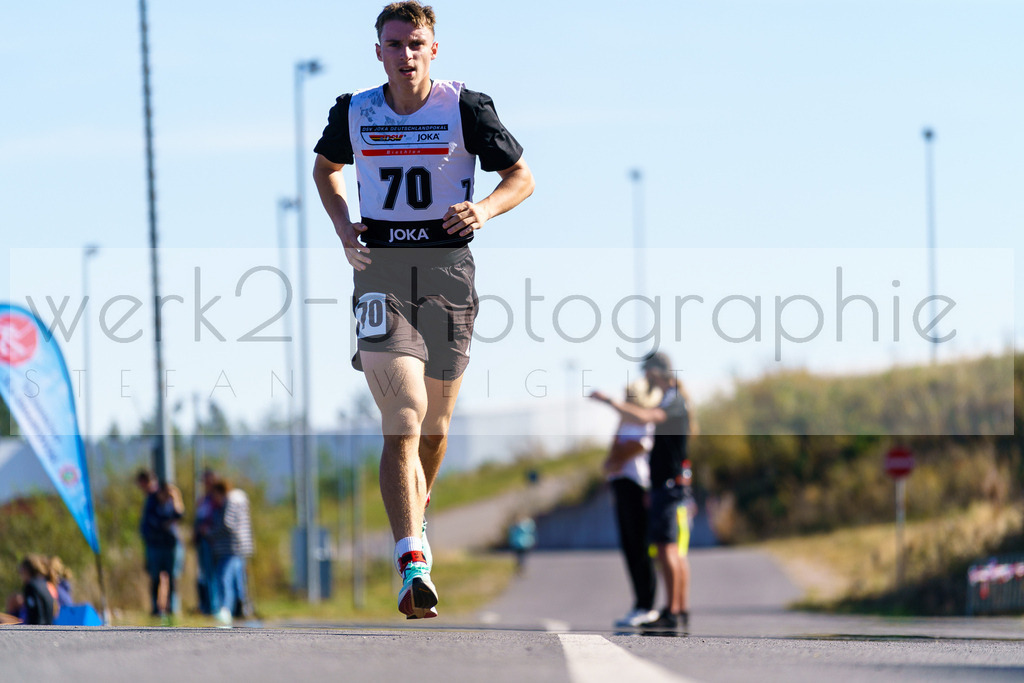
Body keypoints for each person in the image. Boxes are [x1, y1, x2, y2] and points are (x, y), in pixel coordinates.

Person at [312, 1, 534, 619]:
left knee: (433, 429)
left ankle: (419, 512)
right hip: (379, 271)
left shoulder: (465, 108)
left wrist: (484, 209)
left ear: (433, 49)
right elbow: (325, 169)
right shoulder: (355, 111)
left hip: (448, 273)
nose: (405, 54)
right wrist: (343, 227)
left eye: (416, 44)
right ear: (377, 51)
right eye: (394, 44)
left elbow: (522, 176)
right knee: (404, 419)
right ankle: (412, 560)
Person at [590, 352, 698, 632]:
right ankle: (674, 609)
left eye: (648, 372)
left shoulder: (673, 400)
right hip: (664, 482)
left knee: (667, 549)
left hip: (668, 483)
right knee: (667, 549)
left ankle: (673, 611)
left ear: (657, 372)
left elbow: (648, 421)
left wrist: (610, 402)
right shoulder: (670, 398)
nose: (645, 378)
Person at [597, 379, 662, 629]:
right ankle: (639, 603)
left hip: (637, 483)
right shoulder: (625, 420)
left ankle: (647, 604)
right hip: (622, 482)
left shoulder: (644, 419)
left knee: (640, 544)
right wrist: (613, 459)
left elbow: (638, 446)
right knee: (629, 545)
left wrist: (617, 458)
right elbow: (615, 448)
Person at [137, 470, 185, 620]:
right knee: (155, 577)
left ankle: (173, 608)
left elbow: (180, 515)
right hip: (155, 545)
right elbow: (150, 524)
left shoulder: (172, 503)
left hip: (171, 545)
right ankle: (156, 608)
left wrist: (176, 498)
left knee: (172, 577)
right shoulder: (152, 501)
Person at [209, 478, 254, 627]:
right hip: (240, 546)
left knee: (224, 577)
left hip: (231, 546)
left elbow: (227, 523)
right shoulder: (240, 500)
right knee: (238, 581)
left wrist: (211, 532)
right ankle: (241, 610)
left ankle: (226, 609)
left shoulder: (231, 501)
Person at [193, 468, 219, 615]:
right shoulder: (204, 499)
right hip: (202, 540)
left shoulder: (217, 499)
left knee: (212, 574)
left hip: (212, 540)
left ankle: (215, 606)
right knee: (204, 574)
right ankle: (207, 605)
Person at [18, 555, 55, 625]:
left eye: (21, 569)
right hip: (48, 625)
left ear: (26, 570)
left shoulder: (31, 586)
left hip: (38, 628)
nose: (20, 573)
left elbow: (35, 613)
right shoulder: (43, 583)